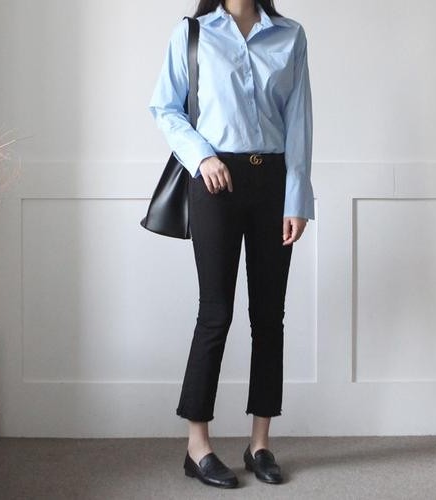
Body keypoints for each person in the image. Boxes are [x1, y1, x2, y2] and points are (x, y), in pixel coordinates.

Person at [148, 0, 314, 490]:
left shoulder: (290, 35)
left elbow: (299, 119)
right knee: (215, 313)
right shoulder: (193, 33)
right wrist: (202, 157)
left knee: (269, 315)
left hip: (273, 184)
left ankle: (260, 443)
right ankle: (197, 445)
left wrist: (297, 198)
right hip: (214, 182)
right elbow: (165, 106)